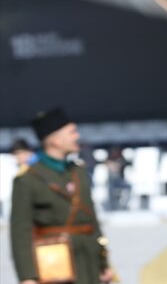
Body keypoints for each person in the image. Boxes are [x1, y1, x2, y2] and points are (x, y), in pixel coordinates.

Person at [10, 108, 115, 284]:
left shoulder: (79, 172)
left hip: (89, 263)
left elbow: (91, 220)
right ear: (55, 140)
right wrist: (27, 276)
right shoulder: (28, 179)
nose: (77, 136)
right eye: (71, 132)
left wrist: (103, 263)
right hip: (54, 263)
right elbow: (20, 231)